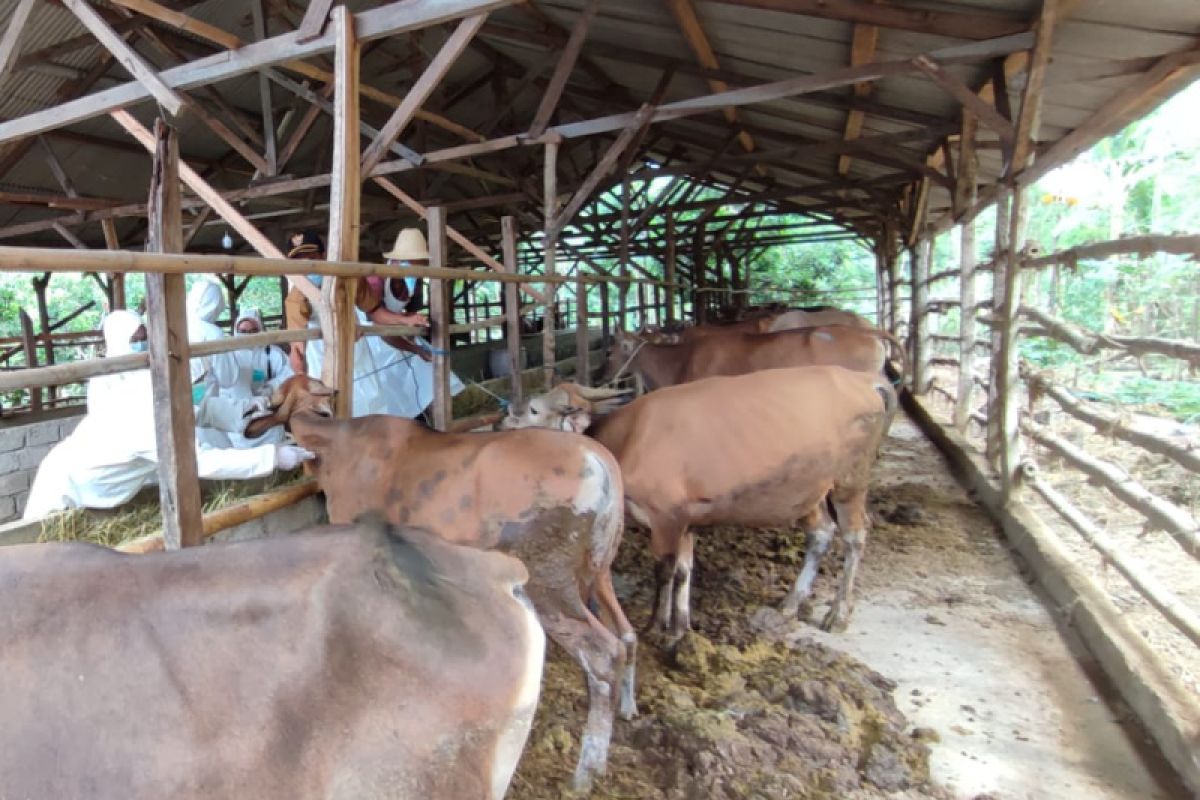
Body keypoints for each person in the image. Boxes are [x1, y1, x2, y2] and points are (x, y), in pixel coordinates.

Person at [22, 311, 312, 521]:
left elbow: (197, 410)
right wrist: (273, 456)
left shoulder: (152, 387)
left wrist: (250, 406)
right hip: (69, 494)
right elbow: (200, 461)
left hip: (109, 487)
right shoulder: (142, 413)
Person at [283, 228, 464, 419]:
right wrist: (302, 378)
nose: (306, 265)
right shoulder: (296, 298)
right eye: (298, 260)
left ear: (324, 256)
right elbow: (297, 348)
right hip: (324, 362)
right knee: (339, 416)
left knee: (373, 406)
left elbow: (375, 311)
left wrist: (405, 320)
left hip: (358, 353)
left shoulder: (348, 278)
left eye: (311, 257)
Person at [222, 307, 293, 447]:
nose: (248, 335)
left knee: (273, 449)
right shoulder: (228, 355)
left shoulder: (271, 353)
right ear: (236, 331)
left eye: (252, 331)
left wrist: (271, 387)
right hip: (239, 415)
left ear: (260, 330)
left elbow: (289, 373)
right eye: (243, 331)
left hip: (268, 412)